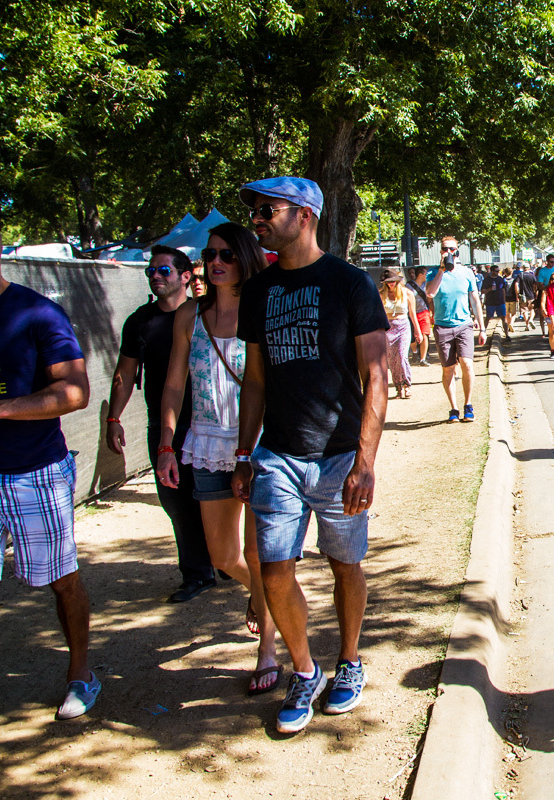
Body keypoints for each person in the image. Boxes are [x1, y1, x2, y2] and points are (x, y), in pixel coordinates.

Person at [232, 176, 390, 734]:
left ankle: (349, 661)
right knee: (272, 571)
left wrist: (364, 461)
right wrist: (244, 453)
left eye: (266, 208)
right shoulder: (259, 290)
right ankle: (305, 670)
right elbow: (254, 380)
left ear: (304, 215)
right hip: (277, 454)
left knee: (345, 564)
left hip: (338, 456)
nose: (256, 217)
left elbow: (375, 375)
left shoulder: (350, 283)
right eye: (253, 209)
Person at [0, 218, 96, 721]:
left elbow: (75, 391)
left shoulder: (37, 313)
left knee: (61, 581)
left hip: (36, 471)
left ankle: (82, 674)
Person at [158, 223, 281, 696]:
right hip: (206, 443)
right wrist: (167, 444)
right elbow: (172, 385)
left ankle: (267, 649)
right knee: (223, 556)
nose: (216, 262)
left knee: (257, 551)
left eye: (227, 254)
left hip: (260, 443)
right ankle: (267, 594)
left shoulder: (264, 310)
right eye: (209, 255)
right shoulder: (189, 315)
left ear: (246, 257)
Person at [109, 245, 215, 603]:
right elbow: (125, 374)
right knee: (176, 500)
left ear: (186, 276)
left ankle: (226, 559)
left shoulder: (206, 315)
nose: (155, 275)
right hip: (166, 426)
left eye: (164, 271)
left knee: (217, 496)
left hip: (210, 422)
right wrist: (114, 417)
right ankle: (197, 573)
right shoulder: (140, 321)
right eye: (151, 271)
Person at [426, 236, 487, 422]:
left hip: (464, 325)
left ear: (457, 250)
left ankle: (468, 404)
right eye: (445, 249)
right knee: (448, 369)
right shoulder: (433, 273)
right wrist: (441, 271)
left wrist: (482, 328)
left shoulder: (467, 273)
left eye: (452, 249)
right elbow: (430, 293)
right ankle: (453, 409)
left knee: (467, 364)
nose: (449, 252)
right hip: (442, 327)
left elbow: (475, 301)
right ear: (441, 251)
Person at [380, 268, 421, 399]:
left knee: (403, 356)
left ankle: (407, 384)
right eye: (388, 282)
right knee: (392, 359)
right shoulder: (381, 294)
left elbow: (413, 314)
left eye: (393, 281)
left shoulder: (407, 293)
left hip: (403, 325)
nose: (391, 284)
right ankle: (398, 386)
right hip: (388, 327)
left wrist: (418, 331)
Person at [405, 268, 432, 366]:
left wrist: (431, 311)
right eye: (425, 273)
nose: (427, 276)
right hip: (412, 313)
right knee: (413, 336)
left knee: (425, 334)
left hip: (424, 312)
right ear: (420, 274)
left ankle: (423, 358)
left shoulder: (427, 285)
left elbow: (429, 299)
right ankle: (415, 352)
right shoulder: (409, 286)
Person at [481, 264, 511, 341]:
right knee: (488, 318)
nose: (498, 272)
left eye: (499, 271)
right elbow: (483, 291)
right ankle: (483, 332)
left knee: (503, 318)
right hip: (490, 302)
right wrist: (489, 289)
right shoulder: (487, 280)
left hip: (500, 302)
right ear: (492, 271)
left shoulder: (501, 279)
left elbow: (503, 290)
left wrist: (504, 300)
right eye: (496, 271)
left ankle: (507, 335)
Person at [535, 253, 554, 343]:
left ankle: (551, 329)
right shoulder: (542, 271)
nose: (553, 264)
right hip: (545, 292)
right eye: (551, 262)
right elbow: (539, 284)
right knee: (542, 313)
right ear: (547, 262)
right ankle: (543, 330)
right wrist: (547, 287)